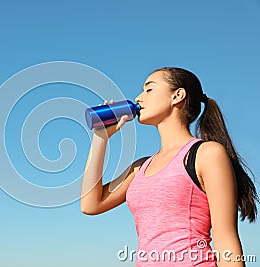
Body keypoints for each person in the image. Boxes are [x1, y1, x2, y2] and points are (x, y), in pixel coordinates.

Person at [80, 67, 258, 266]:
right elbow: (90, 205)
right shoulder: (140, 167)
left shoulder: (206, 154)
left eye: (149, 89)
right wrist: (100, 139)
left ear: (177, 96)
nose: (138, 98)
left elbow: (226, 241)